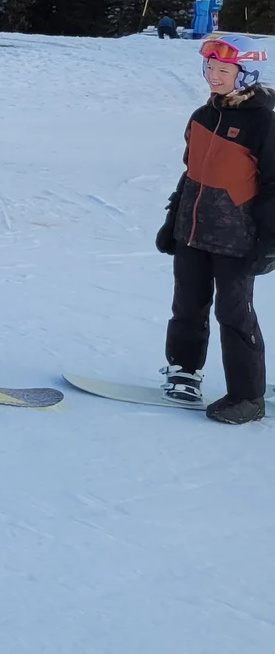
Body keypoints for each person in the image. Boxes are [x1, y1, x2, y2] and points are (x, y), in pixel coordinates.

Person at [155, 33, 271, 425]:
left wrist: (269, 242)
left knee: (233, 312)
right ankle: (184, 370)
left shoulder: (264, 121)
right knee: (187, 303)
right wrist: (174, 219)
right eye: (209, 67)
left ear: (247, 74)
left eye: (223, 69)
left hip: (238, 238)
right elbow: (192, 174)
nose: (213, 76)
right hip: (193, 230)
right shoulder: (204, 115)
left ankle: (248, 396)